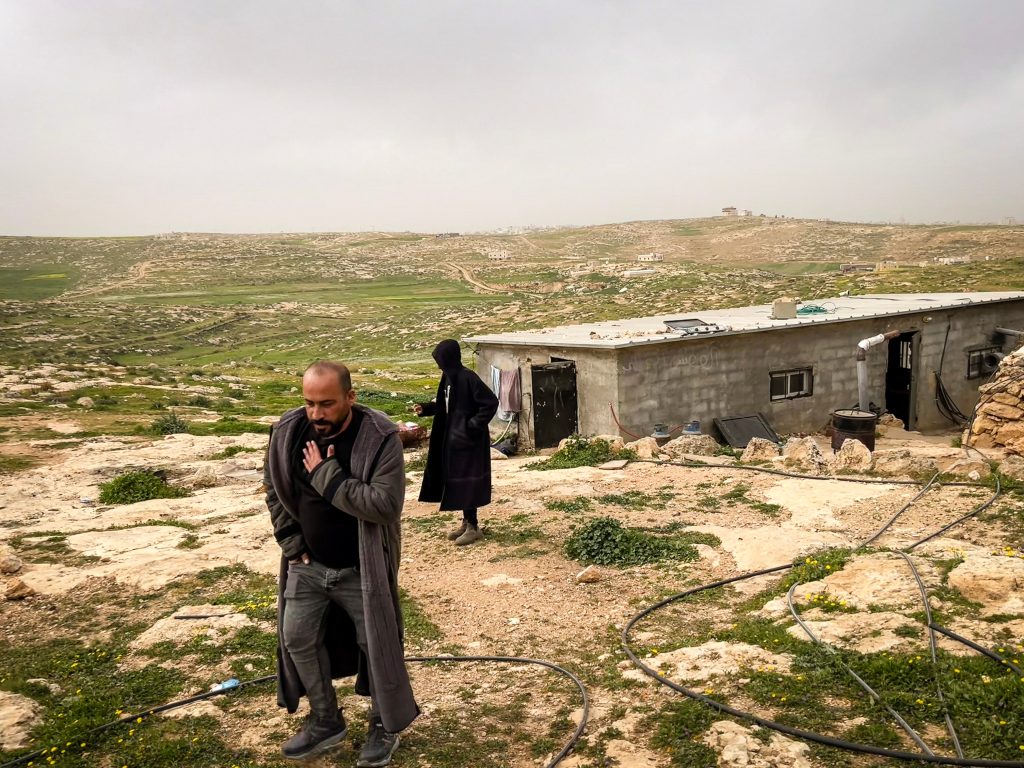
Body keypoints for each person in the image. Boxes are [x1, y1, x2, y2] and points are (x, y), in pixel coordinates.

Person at [265, 361, 418, 765]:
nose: (316, 414)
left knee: (377, 645)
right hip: (307, 565)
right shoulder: (288, 431)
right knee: (296, 637)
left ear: (350, 397)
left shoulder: (380, 436)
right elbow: (272, 486)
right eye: (310, 403)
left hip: (361, 567)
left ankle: (383, 724)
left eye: (327, 404)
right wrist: (289, 538)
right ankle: (326, 719)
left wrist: (327, 477)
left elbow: (385, 506)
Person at [413, 339, 499, 545]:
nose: (438, 365)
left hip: (470, 442)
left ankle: (474, 527)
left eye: (440, 360)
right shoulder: (448, 378)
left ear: (450, 358)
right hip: (453, 440)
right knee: (458, 480)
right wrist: (426, 409)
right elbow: (446, 405)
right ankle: (467, 521)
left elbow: (490, 403)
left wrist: (471, 426)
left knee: (467, 481)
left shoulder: (468, 377)